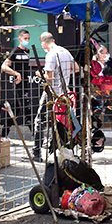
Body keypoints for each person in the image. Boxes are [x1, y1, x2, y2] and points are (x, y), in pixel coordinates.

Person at [32, 32, 79, 161]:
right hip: (64, 94)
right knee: (60, 121)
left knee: (40, 120)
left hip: (52, 93)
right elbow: (76, 68)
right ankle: (60, 149)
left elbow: (50, 78)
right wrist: (64, 72)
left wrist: (39, 74)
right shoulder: (65, 51)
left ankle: (36, 151)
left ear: (43, 43)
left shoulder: (51, 54)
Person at [1, 30, 34, 130]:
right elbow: (4, 66)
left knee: (17, 109)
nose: (27, 40)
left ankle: (4, 131)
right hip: (17, 83)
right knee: (25, 108)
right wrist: (16, 74)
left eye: (28, 38)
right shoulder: (15, 51)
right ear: (20, 38)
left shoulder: (27, 51)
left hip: (26, 83)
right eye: (25, 38)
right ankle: (36, 135)